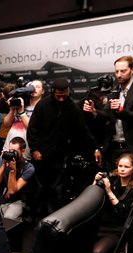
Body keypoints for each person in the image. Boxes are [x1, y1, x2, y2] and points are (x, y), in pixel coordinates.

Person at [26, 77, 99, 218]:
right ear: (53, 91)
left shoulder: (72, 107)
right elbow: (32, 130)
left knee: (57, 191)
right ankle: (35, 219)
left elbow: (83, 131)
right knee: (39, 190)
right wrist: (35, 149)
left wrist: (95, 148)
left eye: (64, 96)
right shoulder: (42, 105)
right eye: (58, 96)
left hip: (59, 156)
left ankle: (54, 220)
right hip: (40, 155)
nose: (61, 99)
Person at [100, 56, 133, 166]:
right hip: (114, 147)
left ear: (132, 69)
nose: (119, 75)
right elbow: (106, 114)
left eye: (123, 71)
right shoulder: (115, 90)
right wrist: (93, 111)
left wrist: (121, 111)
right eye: (116, 71)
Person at [91, 153, 133, 253]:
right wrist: (95, 182)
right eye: (120, 166)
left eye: (126, 167)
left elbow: (123, 212)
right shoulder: (113, 179)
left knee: (97, 252)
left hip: (118, 227)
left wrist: (109, 191)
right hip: (103, 222)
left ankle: (123, 243)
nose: (122, 169)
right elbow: (93, 197)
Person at [1, 80, 45, 161]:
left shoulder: (43, 108)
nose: (33, 89)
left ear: (42, 91)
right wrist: (12, 109)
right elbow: (6, 124)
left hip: (24, 151)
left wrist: (22, 113)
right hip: (8, 146)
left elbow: (33, 128)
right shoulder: (22, 104)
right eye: (31, 87)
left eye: (37, 87)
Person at [0, 137, 35, 220]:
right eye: (10, 150)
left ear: (23, 151)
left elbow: (12, 191)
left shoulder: (28, 168)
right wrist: (3, 164)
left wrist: (12, 170)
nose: (11, 153)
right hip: (2, 199)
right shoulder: (4, 159)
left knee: (8, 218)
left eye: (14, 151)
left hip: (18, 200)